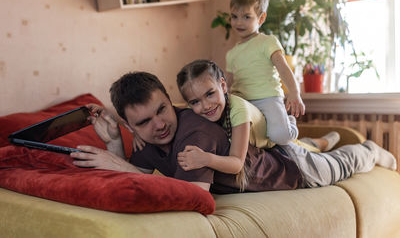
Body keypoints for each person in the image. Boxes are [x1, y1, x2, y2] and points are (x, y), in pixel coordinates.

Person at [70, 71, 397, 194]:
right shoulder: (146, 138)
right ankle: (314, 142)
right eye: (143, 122)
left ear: (172, 102)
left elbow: (194, 195)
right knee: (303, 147)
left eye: (162, 110)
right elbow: (136, 176)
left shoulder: (193, 130)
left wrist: (118, 163)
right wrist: (114, 142)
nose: (159, 124)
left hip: (293, 171)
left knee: (340, 165)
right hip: (271, 153)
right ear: (130, 126)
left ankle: (369, 149)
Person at [175, 59, 339, 190]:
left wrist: (205, 159)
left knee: (308, 148)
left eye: (210, 94)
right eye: (195, 102)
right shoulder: (195, 113)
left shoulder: (238, 111)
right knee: (307, 144)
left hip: (276, 145)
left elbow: (237, 164)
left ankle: (320, 140)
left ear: (223, 86)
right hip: (259, 139)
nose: (205, 105)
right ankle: (317, 141)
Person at [226, 0, 304, 145]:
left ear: (261, 19)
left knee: (280, 137)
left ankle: (290, 124)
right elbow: (227, 83)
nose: (239, 22)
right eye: (234, 17)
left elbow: (284, 69)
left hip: (268, 98)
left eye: (246, 17)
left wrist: (294, 93)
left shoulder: (267, 42)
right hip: (243, 101)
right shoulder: (231, 54)